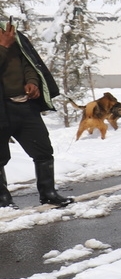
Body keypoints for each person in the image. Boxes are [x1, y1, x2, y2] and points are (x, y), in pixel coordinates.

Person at [0, 19, 72, 207]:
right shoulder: (5, 40)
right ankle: (3, 199)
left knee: (43, 151)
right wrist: (3, 47)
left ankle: (48, 193)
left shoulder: (10, 33)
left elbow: (28, 62)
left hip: (24, 105)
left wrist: (32, 81)